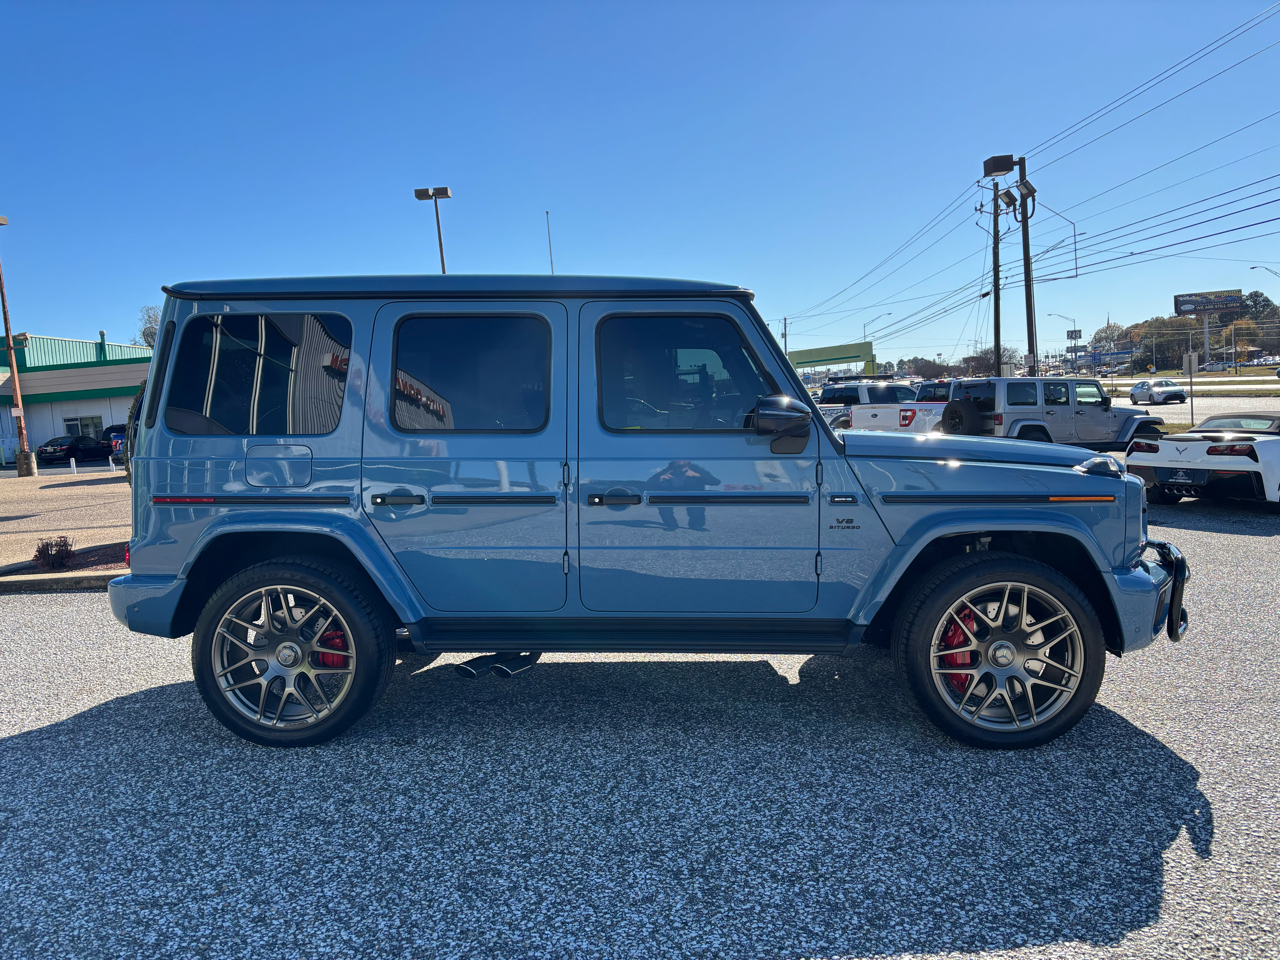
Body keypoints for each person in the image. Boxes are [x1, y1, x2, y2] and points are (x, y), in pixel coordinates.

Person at [646, 459, 720, 531]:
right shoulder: (666, 471)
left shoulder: (696, 469)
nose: (683, 469)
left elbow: (716, 481)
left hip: (692, 494)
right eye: (679, 467)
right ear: (673, 465)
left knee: (697, 507)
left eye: (685, 465)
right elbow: (648, 484)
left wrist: (697, 475)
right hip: (672, 493)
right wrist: (659, 479)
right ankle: (671, 525)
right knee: (663, 506)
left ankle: (696, 525)